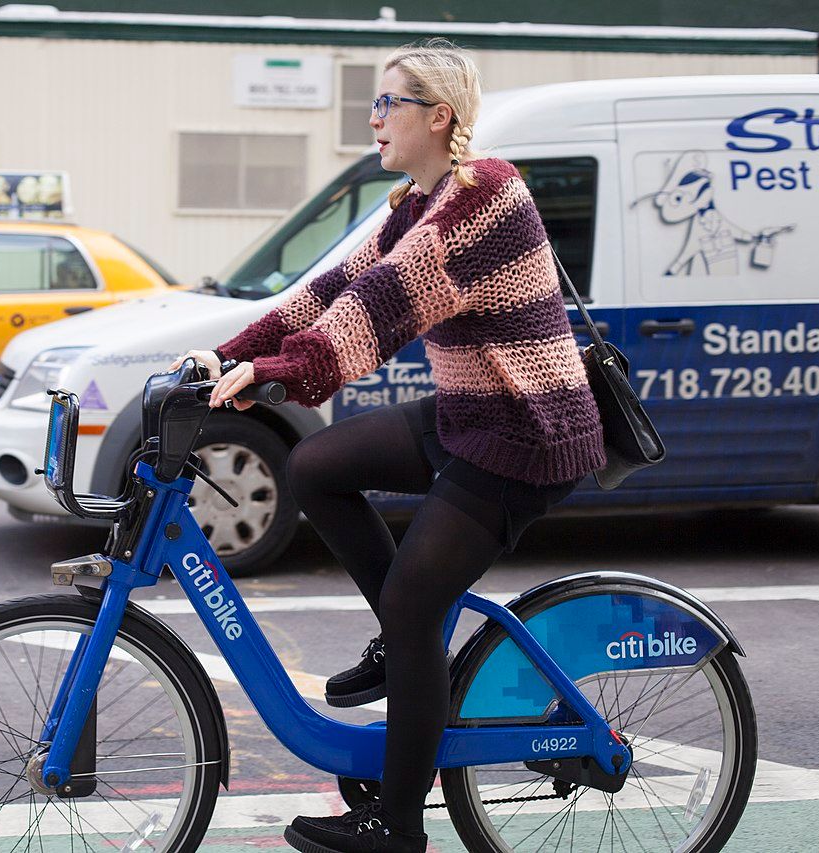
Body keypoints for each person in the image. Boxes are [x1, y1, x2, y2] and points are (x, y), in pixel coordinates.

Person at [170, 38, 605, 853]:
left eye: (386, 103)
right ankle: (409, 652)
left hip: (525, 433)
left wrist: (269, 372)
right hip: (468, 414)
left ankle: (398, 825)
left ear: (438, 117)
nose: (371, 118)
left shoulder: (483, 198)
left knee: (413, 601)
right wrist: (229, 355)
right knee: (316, 465)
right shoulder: (416, 201)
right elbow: (328, 288)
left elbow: (372, 312)